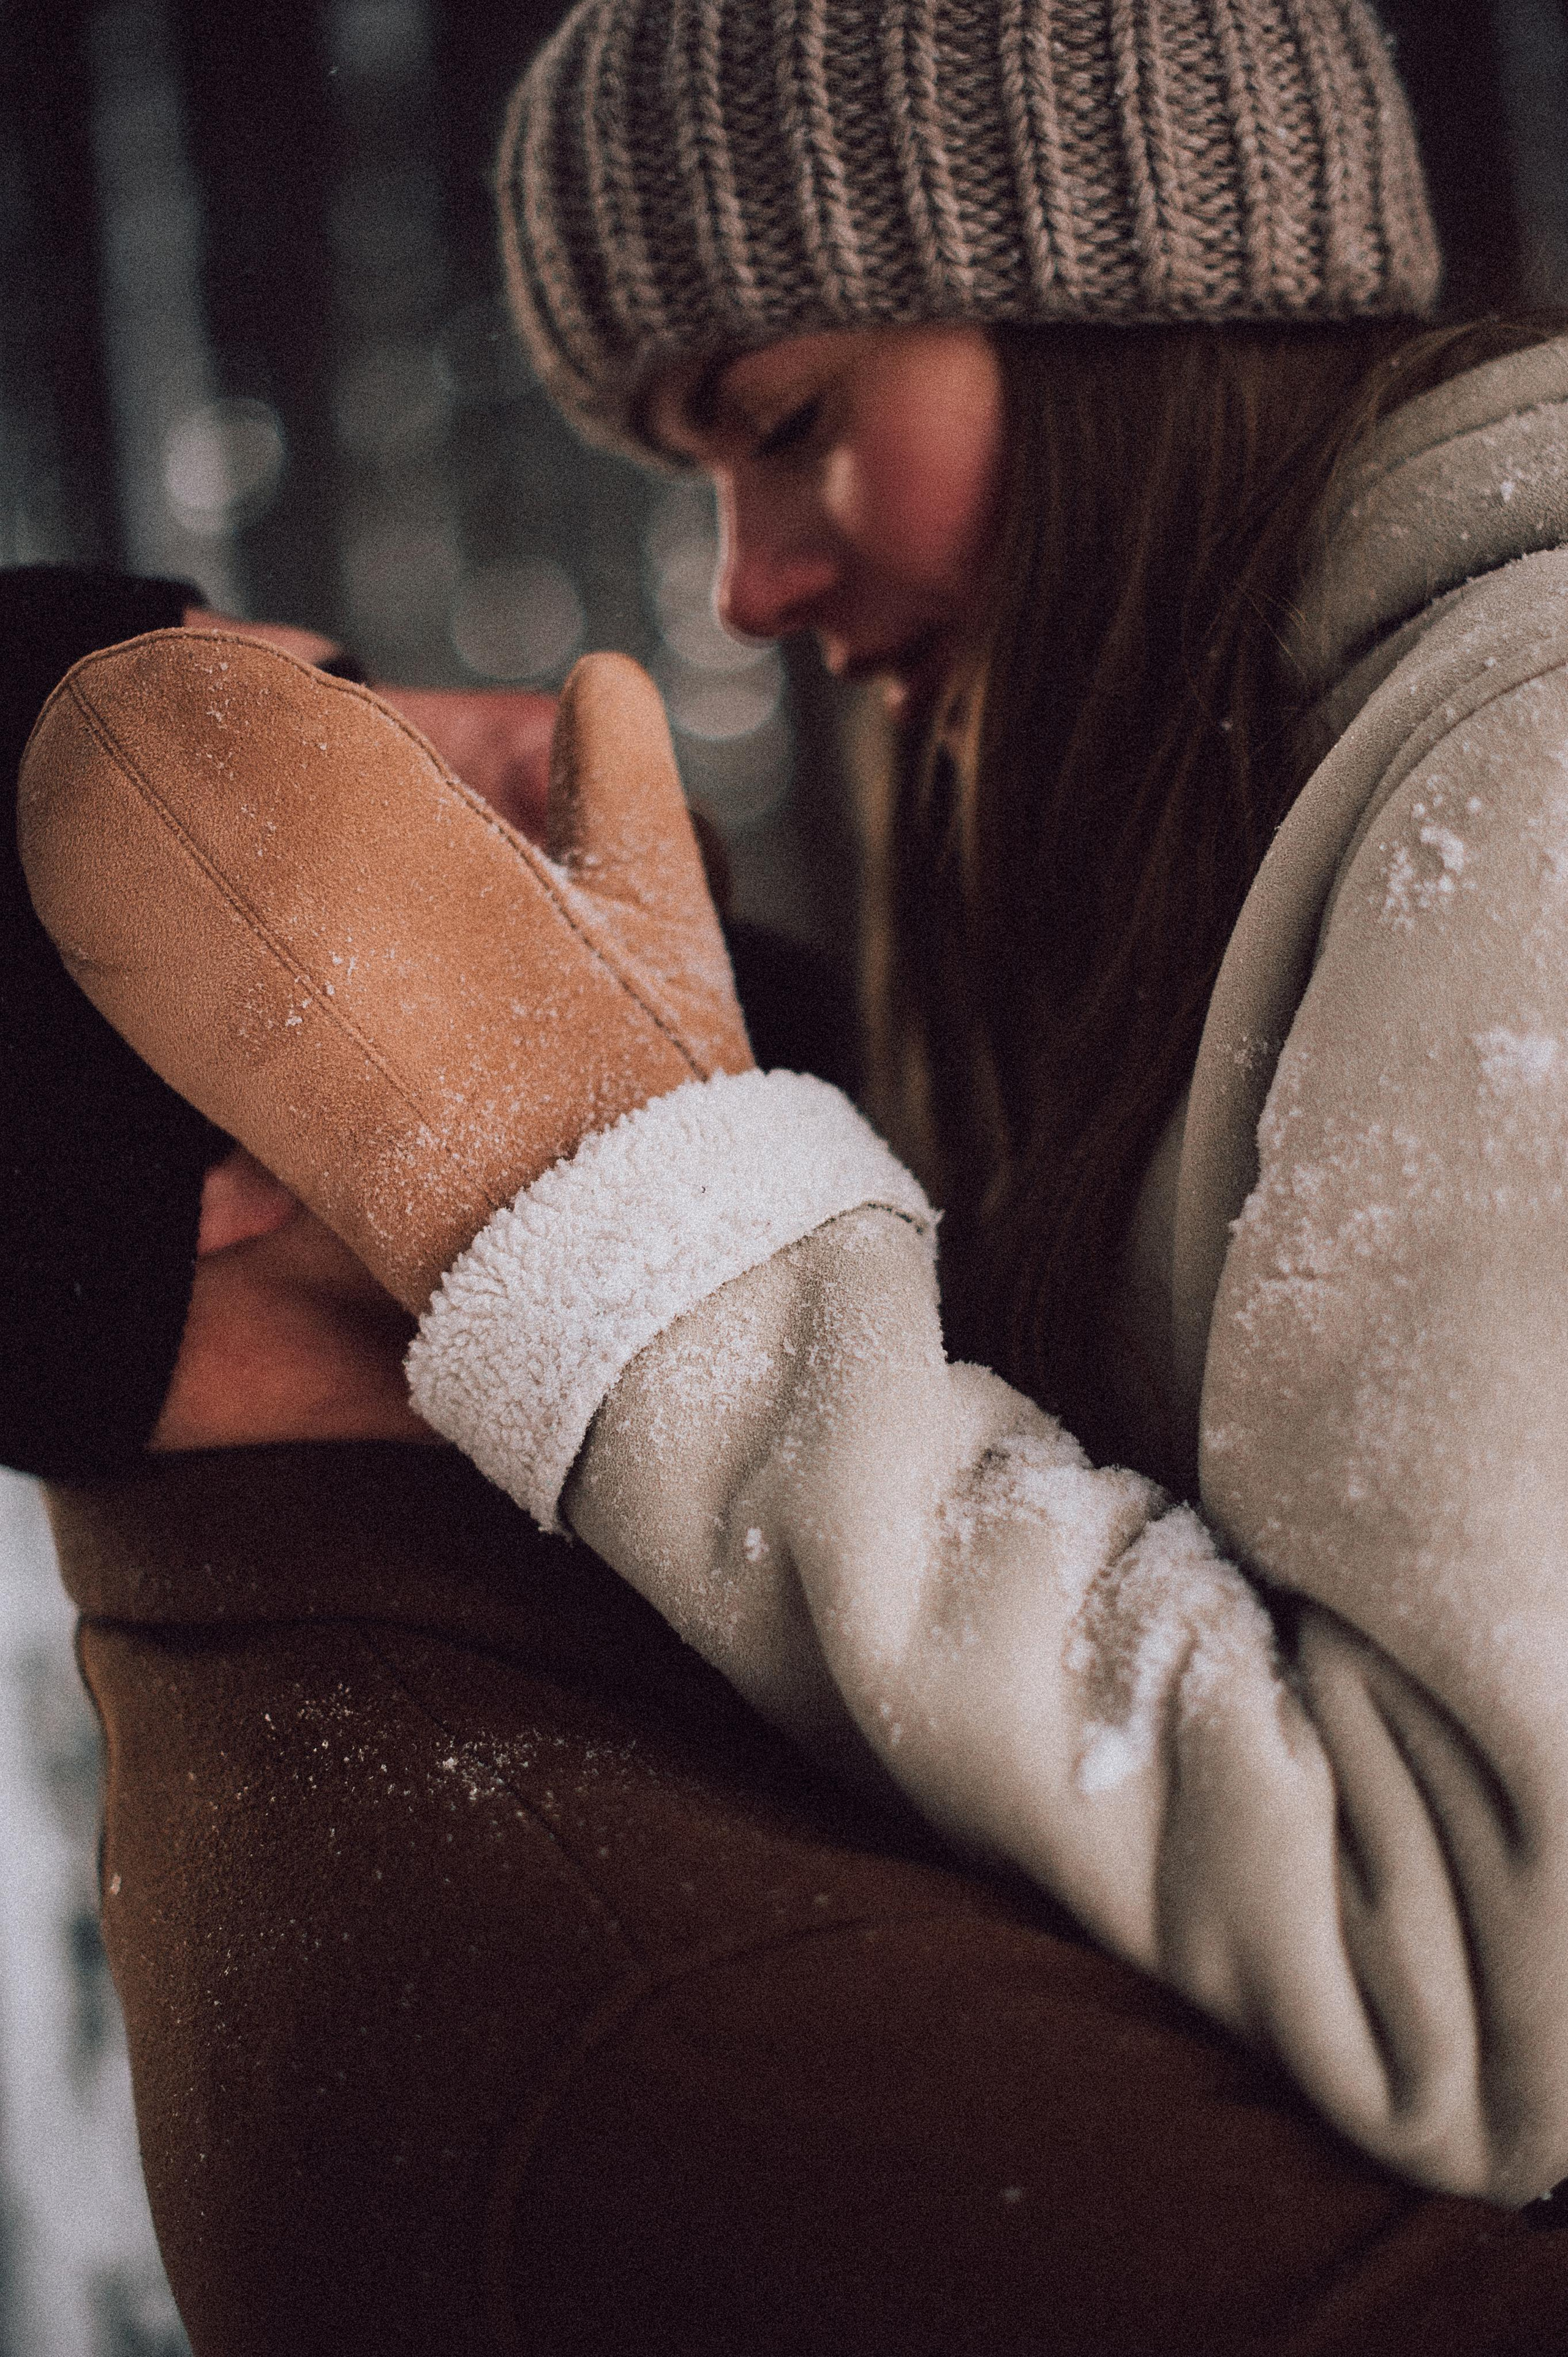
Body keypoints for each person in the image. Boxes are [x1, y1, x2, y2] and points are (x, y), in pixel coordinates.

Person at [21, 0, 1568, 2343]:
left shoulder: (1517, 773)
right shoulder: (1180, 830)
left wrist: (659, 1251)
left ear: (1114, 269)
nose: (735, 592)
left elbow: (1473, 1970)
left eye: (785, 420)